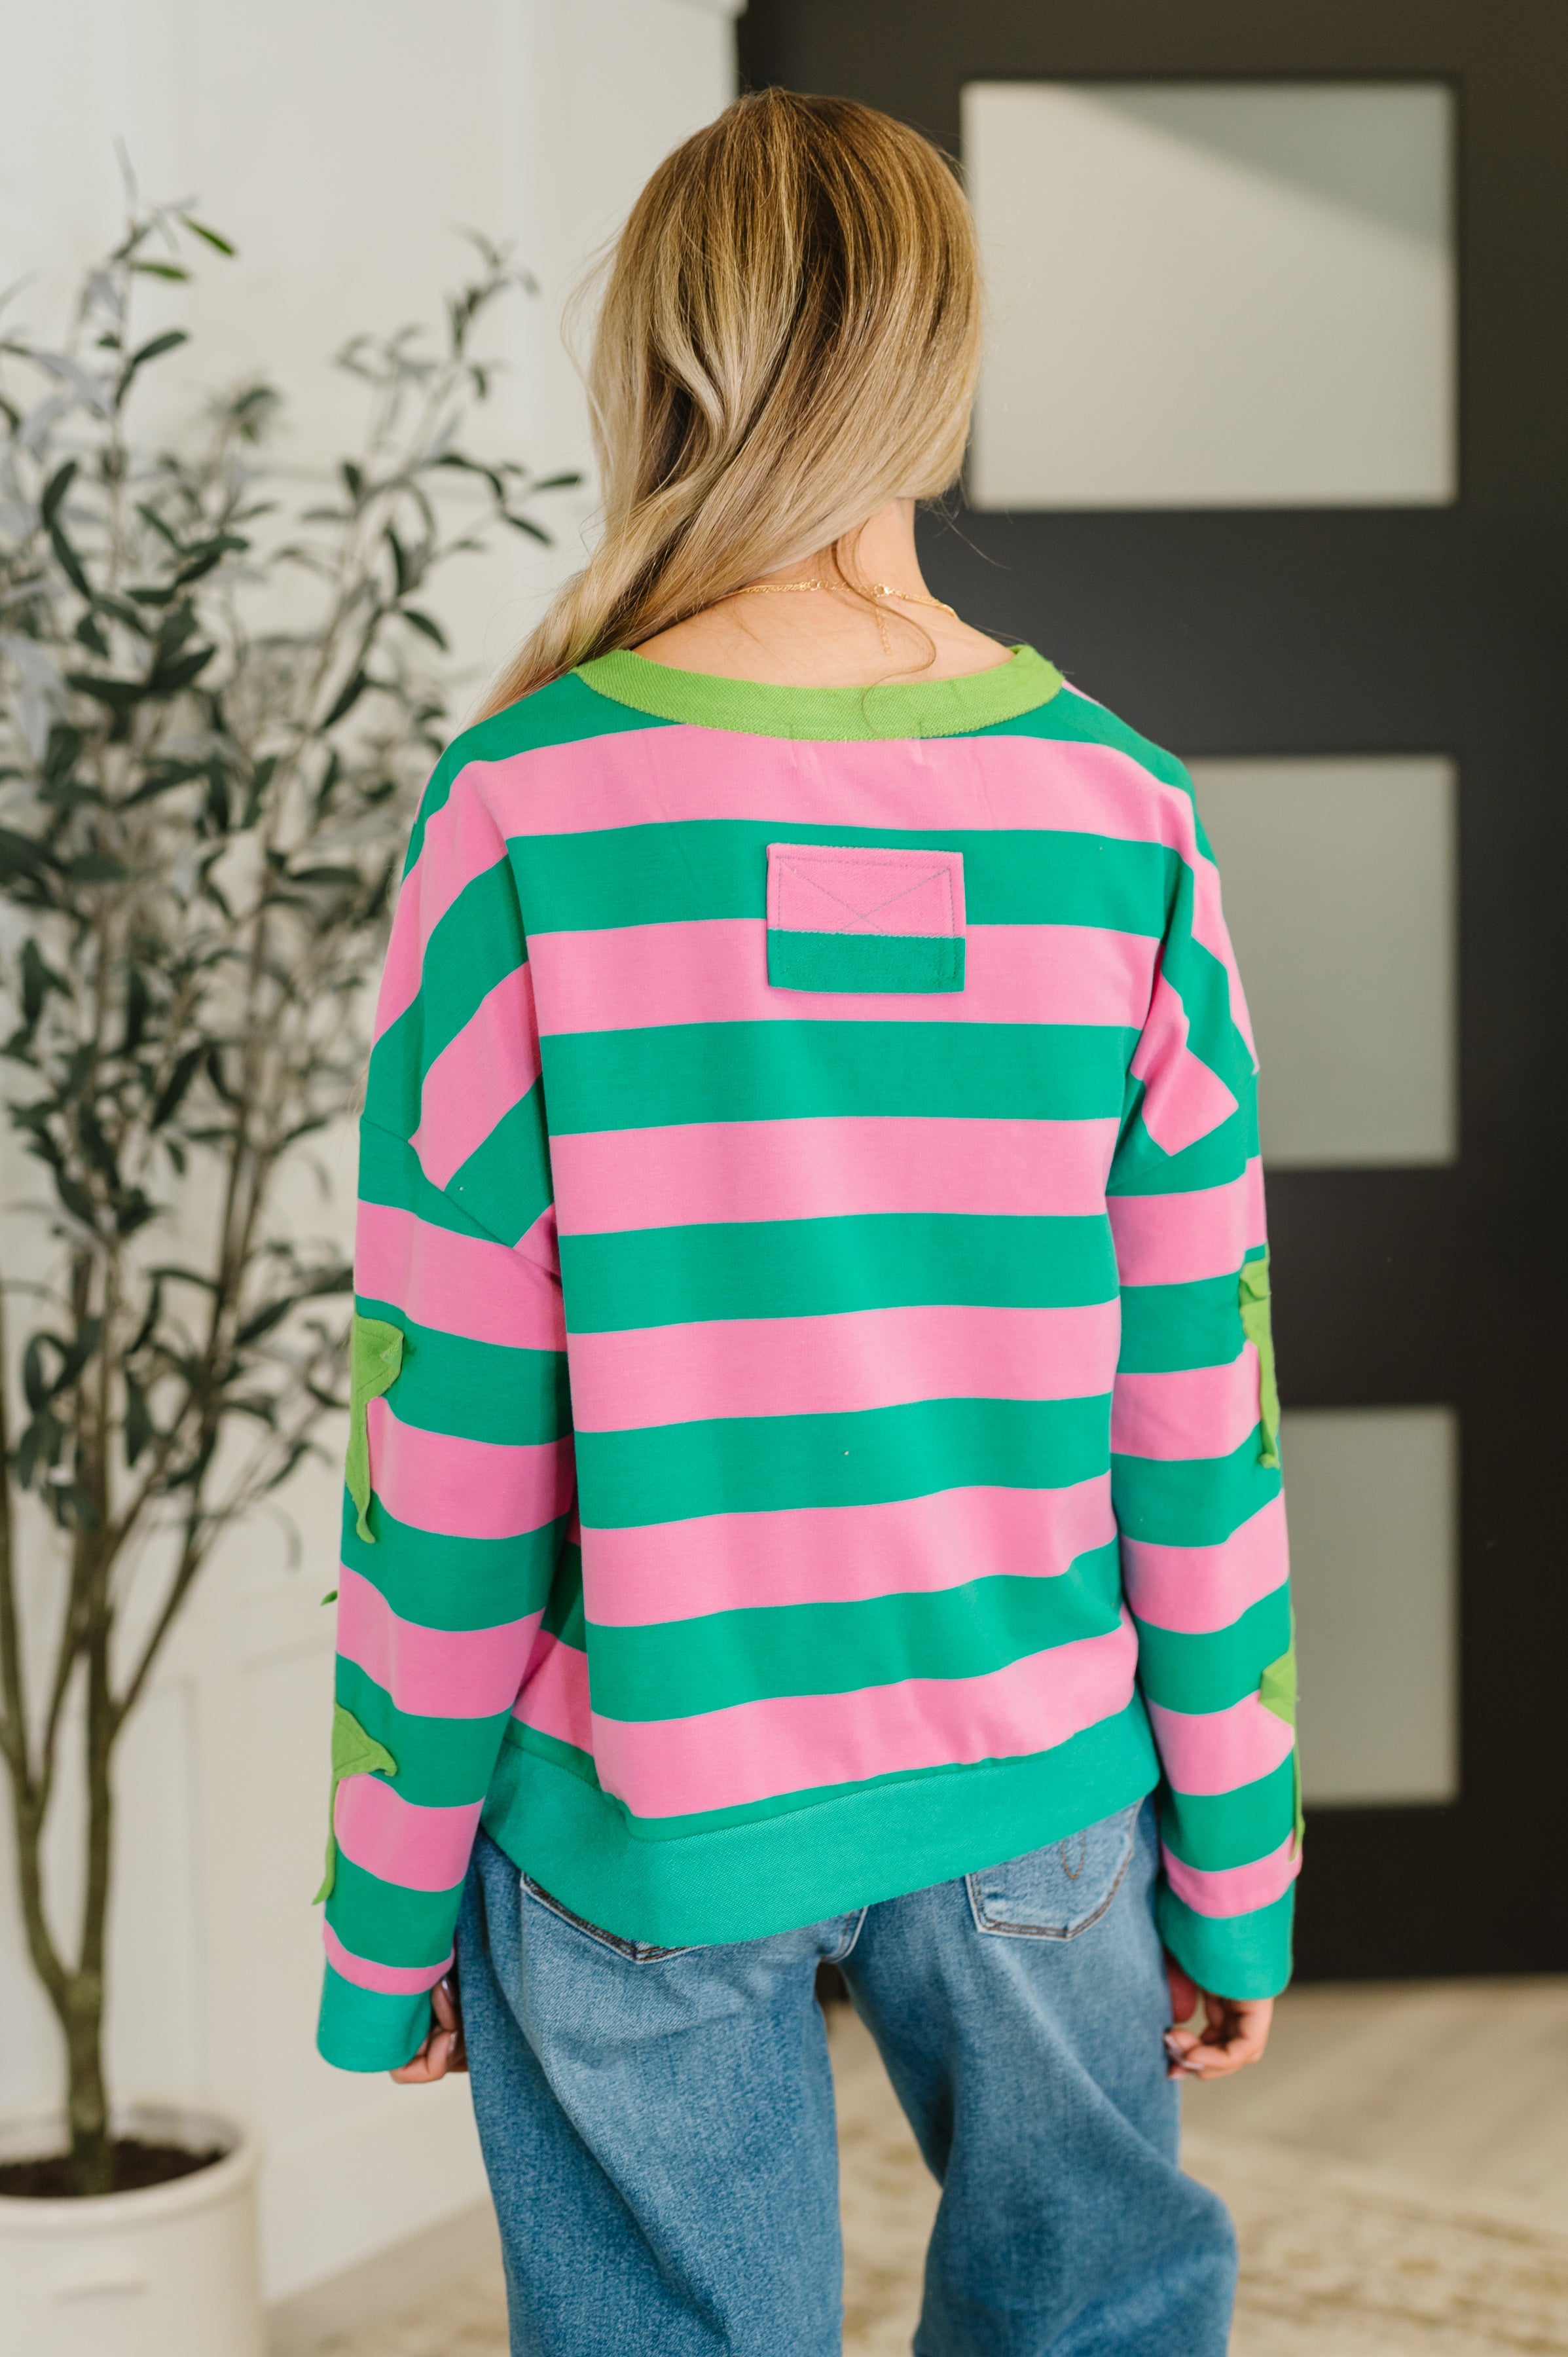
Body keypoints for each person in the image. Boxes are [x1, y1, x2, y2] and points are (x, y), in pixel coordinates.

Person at [314, 88, 1299, 2356]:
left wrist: (386, 1906)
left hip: (641, 1804)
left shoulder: (527, 807)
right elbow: (1198, 1405)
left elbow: (445, 1426)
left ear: (653, 363)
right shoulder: (1122, 814)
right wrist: (1233, 1867)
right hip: (1041, 1792)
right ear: (939, 367)